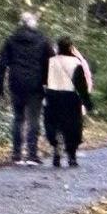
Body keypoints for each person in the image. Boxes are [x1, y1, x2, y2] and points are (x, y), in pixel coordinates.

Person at [0, 12, 52, 166]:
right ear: (33, 24)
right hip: (36, 85)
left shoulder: (11, 40)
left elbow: (1, 64)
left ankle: (16, 154)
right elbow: (51, 64)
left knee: (18, 118)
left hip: (16, 83)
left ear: (21, 23)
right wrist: (49, 84)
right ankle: (32, 155)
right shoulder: (43, 40)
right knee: (33, 119)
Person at [43, 36, 95, 169]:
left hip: (52, 95)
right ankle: (71, 155)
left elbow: (43, 79)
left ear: (58, 47)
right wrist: (88, 103)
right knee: (72, 127)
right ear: (71, 47)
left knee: (53, 124)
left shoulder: (50, 61)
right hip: (70, 97)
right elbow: (81, 85)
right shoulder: (76, 63)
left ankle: (56, 148)